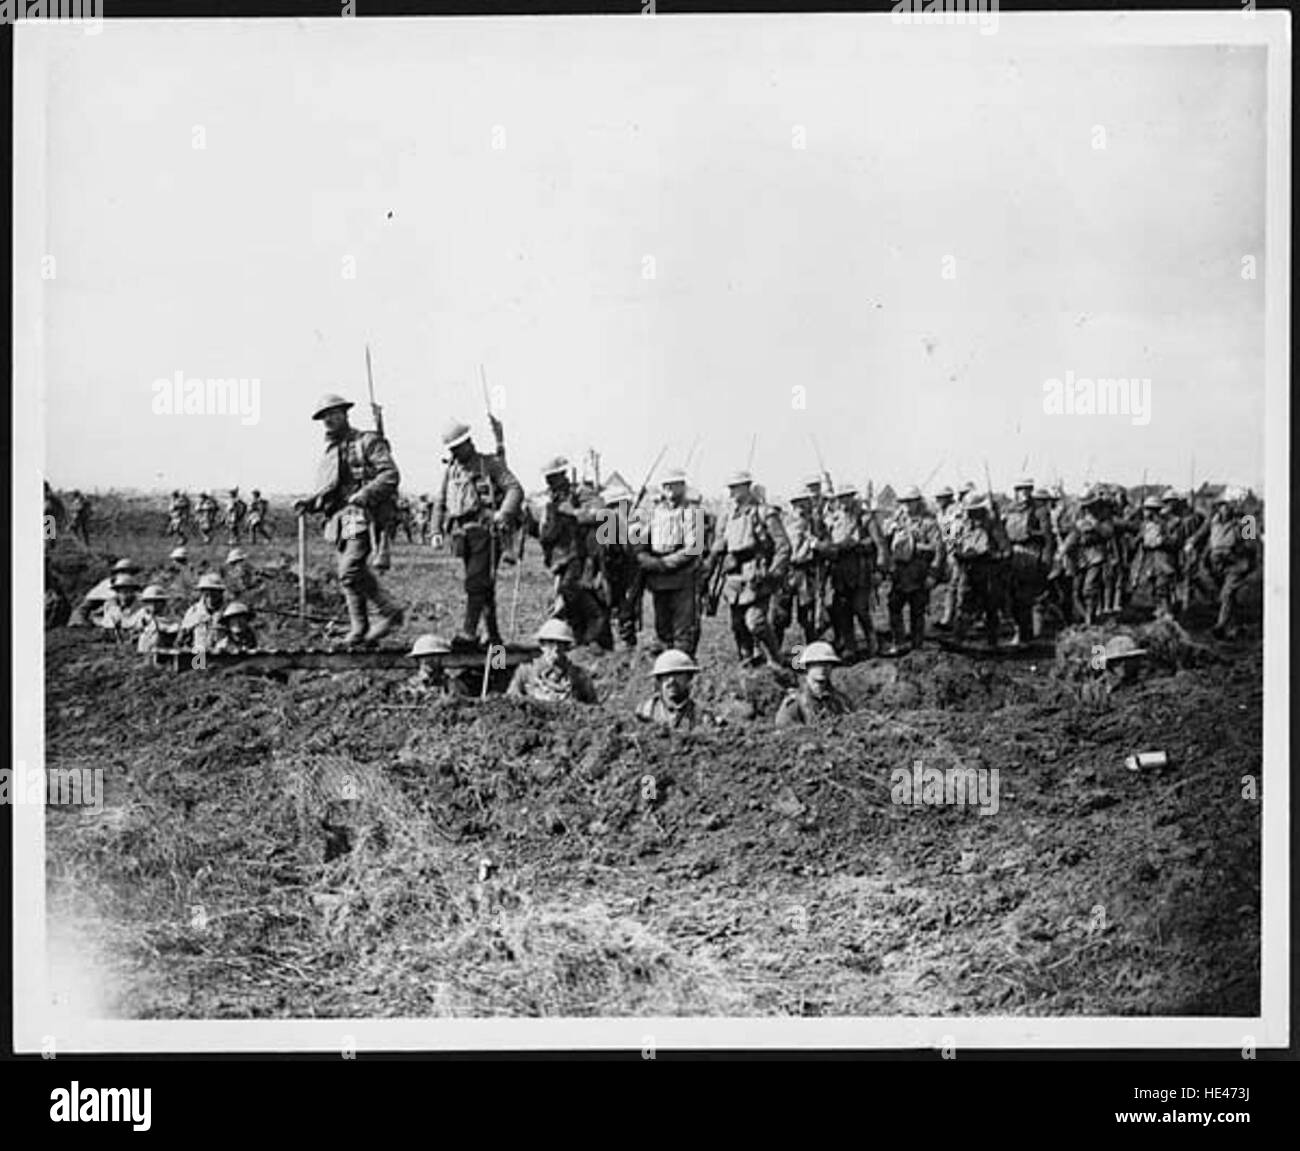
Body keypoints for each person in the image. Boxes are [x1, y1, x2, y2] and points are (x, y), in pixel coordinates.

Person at [294, 393, 405, 647]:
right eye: (324, 417)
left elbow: (390, 474)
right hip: (342, 520)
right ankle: (364, 627)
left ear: (345, 413)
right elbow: (329, 489)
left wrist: (365, 494)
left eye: (334, 414)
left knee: (349, 570)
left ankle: (386, 613)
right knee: (350, 571)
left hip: (364, 516)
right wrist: (310, 503)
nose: (329, 420)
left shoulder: (367, 441)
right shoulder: (332, 451)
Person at [431, 419, 524, 648]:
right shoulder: (451, 470)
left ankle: (469, 633)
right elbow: (440, 501)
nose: (455, 452)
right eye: (451, 449)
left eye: (458, 447)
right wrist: (435, 530)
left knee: (476, 582)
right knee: (484, 587)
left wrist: (503, 514)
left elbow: (514, 488)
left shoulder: (489, 463)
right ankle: (494, 638)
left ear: (469, 443)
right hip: (461, 535)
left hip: (486, 532)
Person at [706, 470, 790, 668]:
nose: (732, 492)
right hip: (733, 576)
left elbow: (783, 545)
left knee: (756, 622)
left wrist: (775, 572)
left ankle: (775, 658)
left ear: (747, 487)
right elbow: (720, 541)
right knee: (738, 625)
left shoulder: (764, 512)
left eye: (736, 487)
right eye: (730, 488)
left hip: (757, 574)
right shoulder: (727, 515)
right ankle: (747, 660)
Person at [535, 456, 612, 650]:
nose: (550, 482)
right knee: (568, 598)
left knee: (578, 592)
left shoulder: (581, 492)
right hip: (560, 558)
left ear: (563, 475)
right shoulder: (549, 500)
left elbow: (601, 514)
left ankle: (594, 637)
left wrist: (574, 512)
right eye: (548, 478)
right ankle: (580, 638)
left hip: (584, 555)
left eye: (553, 477)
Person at [634, 466, 703, 657]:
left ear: (683, 486)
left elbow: (694, 548)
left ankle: (684, 669)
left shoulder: (692, 512)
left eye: (675, 485)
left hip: (683, 576)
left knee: (683, 629)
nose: (670, 490)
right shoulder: (656, 512)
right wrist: (642, 556)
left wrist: (663, 563)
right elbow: (641, 540)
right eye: (667, 486)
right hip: (659, 579)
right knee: (662, 630)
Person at [1186, 489, 1258, 639]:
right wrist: (1192, 542)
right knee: (1224, 596)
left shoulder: (1247, 520)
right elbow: (1202, 533)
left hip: (1236, 563)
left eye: (1228, 505)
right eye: (1222, 505)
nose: (1225, 508)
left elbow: (1251, 545)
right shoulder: (1214, 519)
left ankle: (1220, 626)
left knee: (1227, 593)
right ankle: (1234, 626)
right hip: (1216, 565)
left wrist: (1237, 549)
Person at [823, 485, 885, 660]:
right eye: (841, 498)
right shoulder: (834, 519)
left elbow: (879, 544)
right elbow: (828, 541)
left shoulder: (865, 518)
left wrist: (879, 569)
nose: (844, 501)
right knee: (843, 609)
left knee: (860, 609)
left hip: (860, 569)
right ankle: (850, 647)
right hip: (839, 570)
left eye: (847, 497)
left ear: (853, 497)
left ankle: (872, 641)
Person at [881, 486, 945, 655]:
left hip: (919, 573)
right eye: (905, 502)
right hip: (900, 573)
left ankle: (917, 646)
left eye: (911, 502)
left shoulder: (929, 523)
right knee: (894, 606)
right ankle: (899, 642)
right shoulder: (898, 521)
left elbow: (939, 550)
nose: (908, 506)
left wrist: (932, 575)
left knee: (917, 610)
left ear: (918, 502)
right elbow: (886, 544)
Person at [952, 496, 1010, 647]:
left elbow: (1006, 550)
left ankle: (992, 641)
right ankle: (958, 638)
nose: (971, 515)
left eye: (974, 511)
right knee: (963, 603)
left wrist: (992, 556)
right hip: (967, 568)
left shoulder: (993, 525)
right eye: (969, 511)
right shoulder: (961, 525)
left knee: (990, 606)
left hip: (988, 570)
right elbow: (950, 539)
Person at [1003, 477, 1055, 645]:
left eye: (1027, 489)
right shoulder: (1010, 510)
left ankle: (1029, 634)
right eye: (1020, 489)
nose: (1023, 493)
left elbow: (1048, 538)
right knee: (1012, 597)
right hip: (1013, 555)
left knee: (1029, 597)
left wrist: (1046, 559)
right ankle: (1020, 630)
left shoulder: (1039, 511)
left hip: (1032, 555)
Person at [506, 618, 598, 703]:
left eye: (560, 644)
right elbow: (510, 702)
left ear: (566, 647)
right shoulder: (526, 671)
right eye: (550, 643)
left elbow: (593, 710)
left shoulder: (578, 675)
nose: (555, 649)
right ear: (542, 645)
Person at [600, 482, 641, 650]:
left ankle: (626, 639)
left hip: (628, 566)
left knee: (627, 605)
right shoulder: (612, 520)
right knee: (619, 605)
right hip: (613, 567)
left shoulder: (631, 520)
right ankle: (623, 639)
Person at [775, 641, 853, 728]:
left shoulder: (841, 701)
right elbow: (785, 732)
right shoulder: (795, 703)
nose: (822, 669)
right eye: (817, 664)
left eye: (827, 664)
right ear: (807, 667)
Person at [635, 649, 712, 730]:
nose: (671, 680)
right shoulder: (645, 712)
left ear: (689, 677)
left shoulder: (702, 717)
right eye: (666, 675)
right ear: (659, 680)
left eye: (678, 674)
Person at [1131, 495, 1180, 619]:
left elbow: (1175, 542)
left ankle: (1168, 611)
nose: (1146, 512)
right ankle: (1160, 609)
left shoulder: (1167, 525)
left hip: (1163, 559)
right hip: (1150, 559)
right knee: (1154, 586)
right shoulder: (1146, 525)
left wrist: (1162, 541)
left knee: (1163, 585)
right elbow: (1139, 539)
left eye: (1148, 509)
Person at [401, 634, 471, 700]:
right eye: (423, 657)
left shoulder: (455, 685)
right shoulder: (408, 686)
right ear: (418, 660)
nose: (428, 661)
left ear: (441, 657)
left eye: (433, 656)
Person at [179, 573, 229, 651]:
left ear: (220, 592)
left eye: (214, 591)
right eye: (206, 590)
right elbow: (182, 639)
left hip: (223, 657)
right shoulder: (193, 611)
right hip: (198, 656)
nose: (210, 594)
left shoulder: (229, 611)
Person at [135, 586, 177, 653]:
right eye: (150, 601)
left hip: (163, 655)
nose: (153, 605)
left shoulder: (171, 618)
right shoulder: (142, 615)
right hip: (144, 653)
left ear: (163, 602)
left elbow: (172, 628)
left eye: (157, 601)